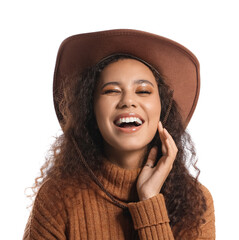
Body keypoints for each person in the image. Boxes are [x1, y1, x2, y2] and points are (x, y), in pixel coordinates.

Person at [23, 29, 215, 240]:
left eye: (143, 91)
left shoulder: (196, 203)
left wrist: (149, 201)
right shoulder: (56, 198)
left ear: (163, 107)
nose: (128, 101)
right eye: (111, 91)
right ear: (90, 110)